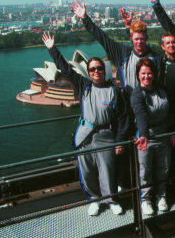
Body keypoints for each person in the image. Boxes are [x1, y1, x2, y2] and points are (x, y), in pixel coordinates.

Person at [42, 32, 129, 216]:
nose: (96, 72)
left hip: (106, 136)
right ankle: (94, 199)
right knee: (87, 170)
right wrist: (52, 49)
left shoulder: (114, 91)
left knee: (108, 170)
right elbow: (65, 69)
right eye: (92, 70)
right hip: (85, 136)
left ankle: (111, 199)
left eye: (99, 68)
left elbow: (123, 118)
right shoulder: (84, 86)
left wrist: (120, 140)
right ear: (88, 73)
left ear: (104, 70)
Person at [70, 1, 163, 97]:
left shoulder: (156, 58)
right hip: (128, 104)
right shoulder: (123, 54)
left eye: (142, 39)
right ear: (131, 39)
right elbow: (102, 38)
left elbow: (160, 84)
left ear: (146, 38)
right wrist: (85, 18)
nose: (139, 42)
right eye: (136, 39)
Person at [130, 58, 175, 215]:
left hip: (163, 134)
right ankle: (146, 200)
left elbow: (171, 113)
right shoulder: (137, 94)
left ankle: (161, 196)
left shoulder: (161, 90)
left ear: (154, 74)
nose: (146, 76)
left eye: (149, 73)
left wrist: (173, 131)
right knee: (146, 171)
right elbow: (141, 115)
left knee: (164, 168)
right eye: (143, 73)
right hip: (146, 138)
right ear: (138, 75)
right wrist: (143, 135)